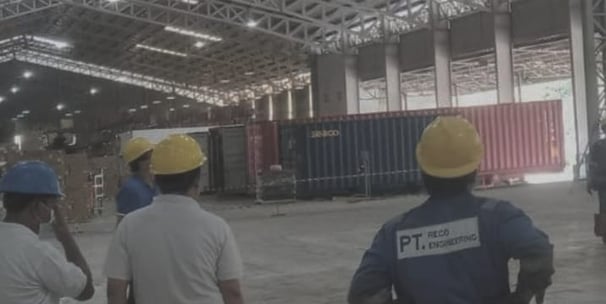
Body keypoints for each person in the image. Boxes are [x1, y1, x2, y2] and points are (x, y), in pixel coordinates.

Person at [348, 116, 554, 304]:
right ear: (474, 169)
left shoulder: (394, 233)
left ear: (423, 170)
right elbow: (537, 251)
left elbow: (363, 294)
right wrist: (522, 296)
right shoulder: (498, 217)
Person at [105, 134, 245, 304]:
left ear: (156, 177)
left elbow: (115, 291)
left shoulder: (129, 226)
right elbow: (232, 292)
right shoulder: (217, 228)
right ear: (197, 180)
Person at [0, 161, 94, 304]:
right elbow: (85, 291)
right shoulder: (37, 252)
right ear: (38, 206)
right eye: (53, 204)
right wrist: (66, 237)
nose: (54, 210)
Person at [116, 137, 156, 224]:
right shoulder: (130, 190)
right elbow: (122, 225)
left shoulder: (156, 186)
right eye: (149, 157)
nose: (153, 160)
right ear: (138, 163)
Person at [587, 122, 606, 243]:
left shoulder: (597, 145)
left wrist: (590, 181)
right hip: (603, 182)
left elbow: (591, 166)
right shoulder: (598, 146)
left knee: (604, 208)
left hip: (602, 183)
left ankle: (604, 233)